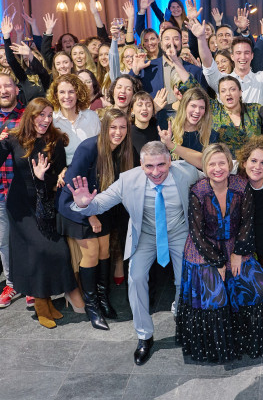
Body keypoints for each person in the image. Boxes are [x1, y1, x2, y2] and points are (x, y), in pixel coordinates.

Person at [69, 141, 203, 366]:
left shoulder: (186, 172)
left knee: (186, 279)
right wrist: (85, 205)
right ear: (141, 165)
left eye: (161, 165)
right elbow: (99, 203)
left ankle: (182, 315)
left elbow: (216, 175)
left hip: (179, 231)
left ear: (170, 161)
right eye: (149, 166)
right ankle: (144, 335)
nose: (156, 172)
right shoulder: (128, 180)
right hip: (146, 234)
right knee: (136, 278)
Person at [0, 99, 83, 329]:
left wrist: (44, 177)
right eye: (40, 115)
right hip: (20, 207)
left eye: (49, 115)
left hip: (44, 202)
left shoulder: (55, 140)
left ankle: (46, 299)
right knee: (38, 251)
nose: (46, 119)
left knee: (57, 250)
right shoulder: (13, 139)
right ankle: (41, 304)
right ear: (30, 116)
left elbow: (57, 176)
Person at [174, 143, 263, 362]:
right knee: (214, 298)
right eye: (211, 164)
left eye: (222, 163)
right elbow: (196, 234)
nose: (217, 169)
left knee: (261, 289)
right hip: (204, 250)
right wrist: (218, 262)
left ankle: (246, 340)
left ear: (229, 164)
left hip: (236, 245)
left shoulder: (241, 186)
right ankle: (217, 349)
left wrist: (237, 253)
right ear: (205, 167)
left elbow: (247, 223)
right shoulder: (197, 191)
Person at [58, 108, 138, 329]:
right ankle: (92, 306)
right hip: (75, 207)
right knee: (92, 252)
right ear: (104, 128)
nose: (118, 132)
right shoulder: (89, 148)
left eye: (122, 127)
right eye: (113, 127)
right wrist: (90, 215)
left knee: (105, 251)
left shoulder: (125, 150)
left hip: (102, 208)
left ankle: (103, 298)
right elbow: (73, 189)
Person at [0, 73, 27, 310]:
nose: (3, 90)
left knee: (28, 238)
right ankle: (11, 284)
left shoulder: (29, 115)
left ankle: (30, 284)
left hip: (23, 190)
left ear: (16, 89)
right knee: (4, 242)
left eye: (7, 85)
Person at [49, 73, 102, 167]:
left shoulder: (92, 117)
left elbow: (101, 148)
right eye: (62, 92)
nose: (67, 96)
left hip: (91, 169)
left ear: (78, 94)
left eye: (71, 92)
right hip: (64, 172)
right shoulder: (52, 120)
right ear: (56, 95)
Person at [167, 86, 218, 164]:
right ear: (184, 106)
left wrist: (171, 146)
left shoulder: (211, 135)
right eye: (193, 106)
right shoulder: (169, 128)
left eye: (202, 107)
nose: (197, 111)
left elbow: (207, 163)